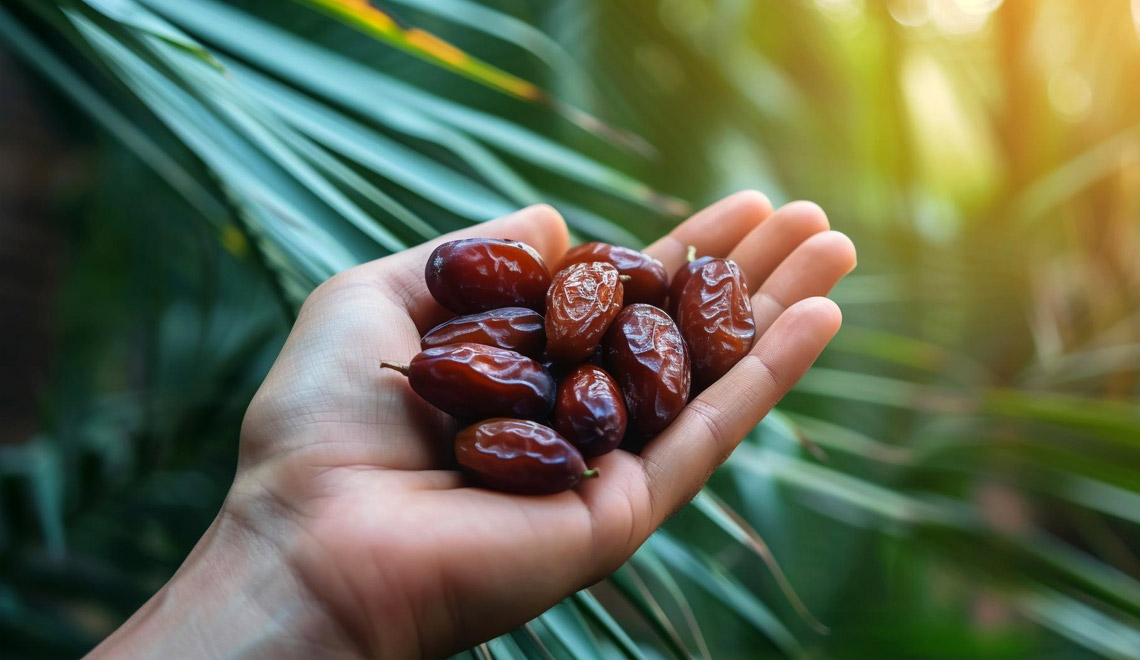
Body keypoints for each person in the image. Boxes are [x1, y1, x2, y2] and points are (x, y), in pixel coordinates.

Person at [88, 192, 856, 659]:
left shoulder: (593, 335)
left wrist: (298, 579)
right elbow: (526, 345)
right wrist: (304, 573)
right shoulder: (552, 343)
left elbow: (578, 358)